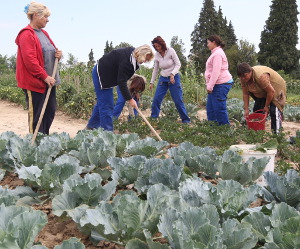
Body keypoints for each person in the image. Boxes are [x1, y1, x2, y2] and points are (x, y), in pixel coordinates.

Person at [15, 2, 62, 135]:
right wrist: (44, 76)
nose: (48, 20)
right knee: (37, 116)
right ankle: (34, 144)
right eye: (45, 17)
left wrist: (58, 55)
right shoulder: (26, 34)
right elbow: (30, 61)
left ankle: (43, 140)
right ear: (35, 15)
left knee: (49, 112)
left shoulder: (44, 33)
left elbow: (50, 53)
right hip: (36, 82)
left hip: (49, 82)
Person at [86, 45, 154, 131]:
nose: (145, 61)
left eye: (147, 60)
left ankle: (91, 126)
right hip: (101, 74)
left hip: (108, 77)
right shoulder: (127, 61)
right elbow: (122, 82)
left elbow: (123, 79)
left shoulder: (133, 58)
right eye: (146, 58)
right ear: (141, 54)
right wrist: (130, 99)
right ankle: (107, 133)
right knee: (107, 104)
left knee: (102, 102)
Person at [149, 36, 190, 123]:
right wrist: (151, 82)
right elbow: (155, 69)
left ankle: (186, 120)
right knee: (156, 99)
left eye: (158, 46)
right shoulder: (156, 55)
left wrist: (172, 74)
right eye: (155, 47)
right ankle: (153, 118)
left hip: (174, 78)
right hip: (163, 79)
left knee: (178, 100)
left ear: (162, 44)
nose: (157, 48)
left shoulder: (171, 51)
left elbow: (178, 64)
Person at [237, 62, 286, 133]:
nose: (242, 78)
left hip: (276, 87)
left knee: (273, 111)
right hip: (262, 90)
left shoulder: (261, 77)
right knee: (257, 110)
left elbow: (271, 92)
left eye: (244, 76)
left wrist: (266, 106)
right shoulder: (243, 79)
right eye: (240, 77)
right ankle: (258, 133)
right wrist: (246, 109)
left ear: (250, 71)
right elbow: (245, 94)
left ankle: (277, 135)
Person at [204, 35, 234, 125]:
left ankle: (224, 131)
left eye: (208, 42)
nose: (207, 45)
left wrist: (210, 86)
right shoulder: (215, 53)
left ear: (214, 42)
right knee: (211, 109)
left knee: (219, 109)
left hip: (221, 84)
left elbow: (216, 72)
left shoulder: (217, 54)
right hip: (216, 84)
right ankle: (213, 130)